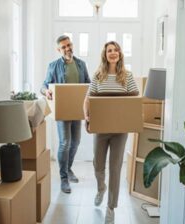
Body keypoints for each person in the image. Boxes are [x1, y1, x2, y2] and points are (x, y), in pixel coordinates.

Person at [83, 41, 139, 224]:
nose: (113, 53)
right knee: (98, 164)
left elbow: (134, 101)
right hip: (101, 128)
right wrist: (87, 116)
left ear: (120, 54)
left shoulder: (127, 76)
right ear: (105, 54)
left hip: (120, 130)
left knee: (115, 168)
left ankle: (111, 207)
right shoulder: (98, 75)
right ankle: (101, 188)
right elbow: (88, 100)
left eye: (116, 50)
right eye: (109, 50)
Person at [41, 35, 90, 193]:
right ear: (59, 50)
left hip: (78, 110)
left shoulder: (81, 64)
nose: (68, 48)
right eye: (64, 47)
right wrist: (46, 91)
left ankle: (68, 169)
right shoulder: (53, 65)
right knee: (65, 143)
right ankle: (63, 178)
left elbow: (88, 84)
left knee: (75, 142)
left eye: (69, 45)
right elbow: (43, 85)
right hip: (62, 110)